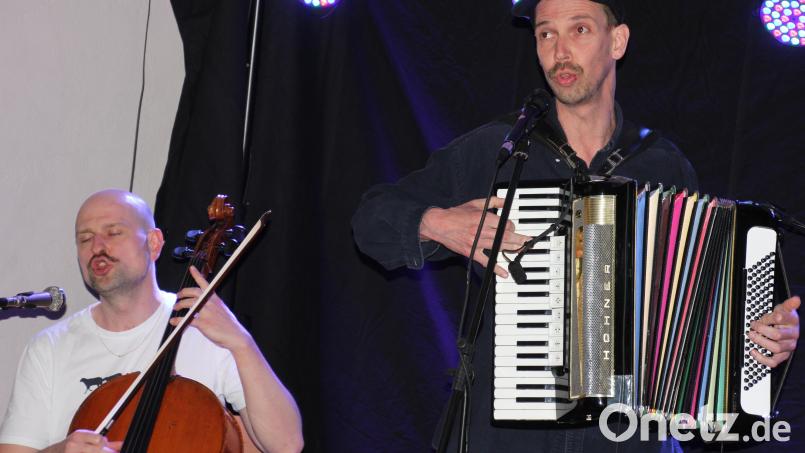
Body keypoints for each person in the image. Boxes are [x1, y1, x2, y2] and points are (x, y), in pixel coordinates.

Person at [351, 0, 800, 451]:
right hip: (510, 439)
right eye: (546, 34)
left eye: (579, 30)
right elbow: (371, 219)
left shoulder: (663, 165)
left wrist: (757, 341)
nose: (559, 51)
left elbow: (700, 311)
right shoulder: (500, 150)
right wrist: (436, 223)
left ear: (617, 41)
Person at [0, 189, 304, 453]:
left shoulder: (203, 326)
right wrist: (60, 451)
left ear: (154, 243)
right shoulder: (49, 348)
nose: (97, 247)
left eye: (113, 232)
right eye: (85, 238)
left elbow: (286, 444)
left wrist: (241, 343)